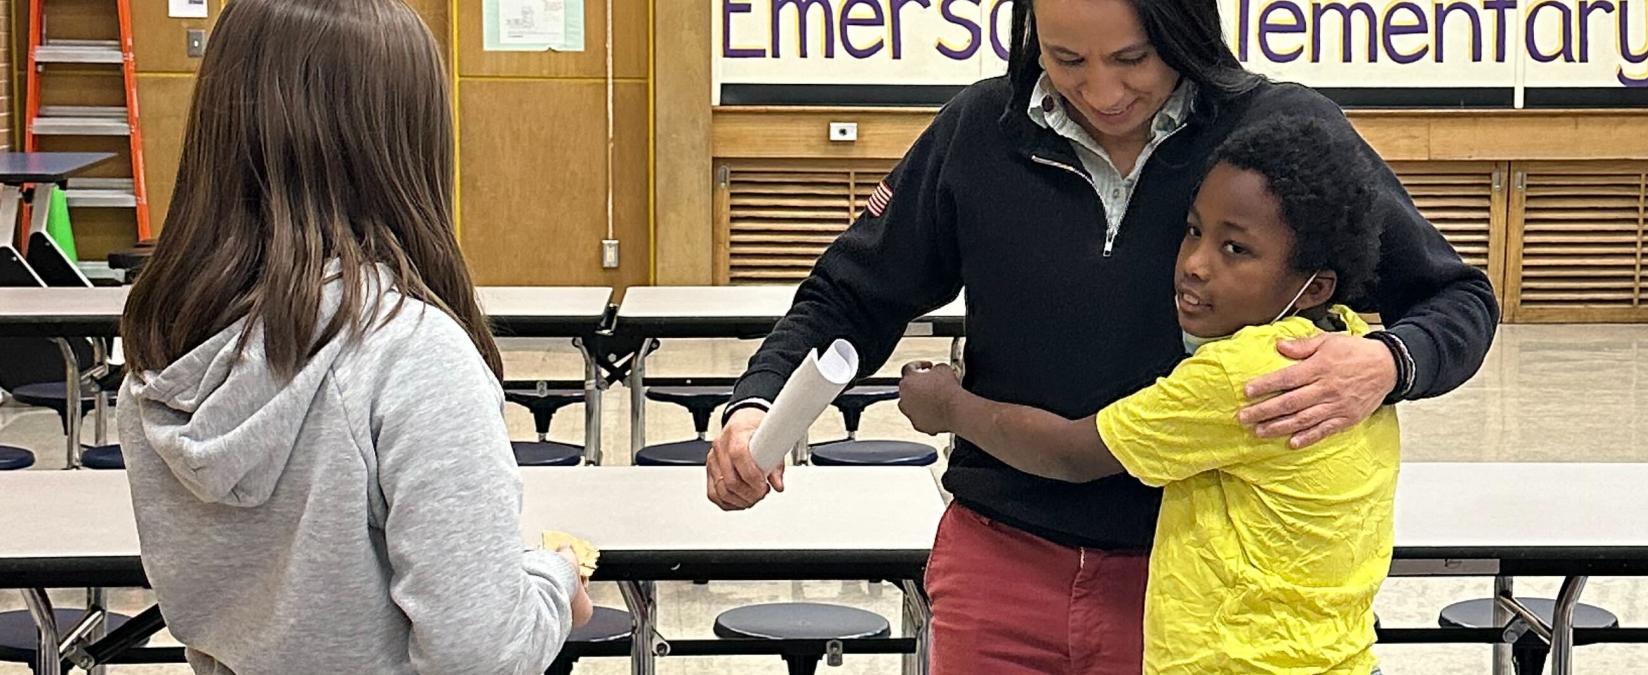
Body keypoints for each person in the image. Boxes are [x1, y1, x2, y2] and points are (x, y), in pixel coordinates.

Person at [706, 0, 1497, 669]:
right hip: (997, 562)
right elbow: (850, 293)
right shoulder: (980, 131)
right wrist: (757, 406)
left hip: (1187, 591)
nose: (1102, 89)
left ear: (1184, 29)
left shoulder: (1278, 137)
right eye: (1064, 57)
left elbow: (1458, 298)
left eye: (1131, 57)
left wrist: (1388, 361)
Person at [116, 1, 590, 673]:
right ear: (405, 147)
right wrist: (554, 579)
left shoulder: (162, 345)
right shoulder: (411, 353)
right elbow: (481, 653)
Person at [898, 116, 1399, 674]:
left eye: (1235, 249)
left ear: (1315, 286)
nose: (1195, 265)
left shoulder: (1246, 375)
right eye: (1192, 231)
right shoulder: (1352, 346)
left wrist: (948, 406)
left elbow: (1071, 453)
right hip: (1336, 656)